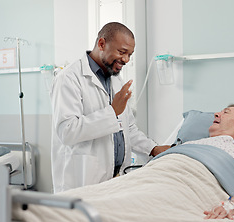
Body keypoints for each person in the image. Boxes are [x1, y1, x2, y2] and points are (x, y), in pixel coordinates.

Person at [50, 22, 170, 193]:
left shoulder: (115, 80)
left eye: (130, 54)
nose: (126, 60)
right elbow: (67, 132)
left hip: (115, 178)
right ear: (101, 44)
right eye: (122, 52)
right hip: (81, 180)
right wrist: (112, 112)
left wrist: (153, 148)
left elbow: (127, 129)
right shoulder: (69, 78)